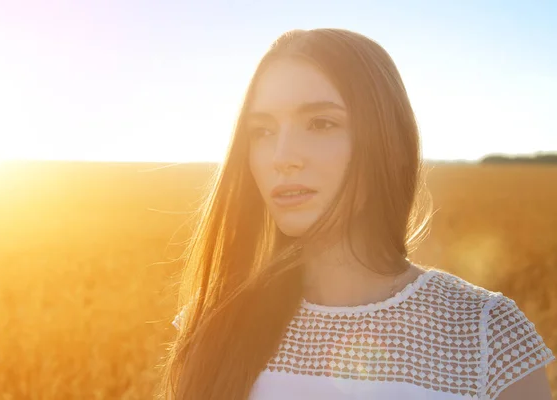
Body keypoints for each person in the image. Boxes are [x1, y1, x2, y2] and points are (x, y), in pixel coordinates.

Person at [159, 28, 555, 399]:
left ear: (390, 142)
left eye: (320, 123)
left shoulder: (487, 335)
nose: (281, 158)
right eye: (262, 130)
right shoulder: (213, 324)